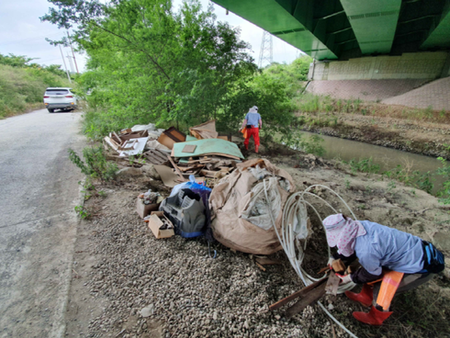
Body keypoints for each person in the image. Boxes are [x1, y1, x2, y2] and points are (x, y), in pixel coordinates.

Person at [323, 213, 445, 326]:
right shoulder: (357, 227)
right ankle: (365, 298)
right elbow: (351, 248)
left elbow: (372, 273)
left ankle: (375, 318)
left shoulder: (367, 249)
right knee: (369, 268)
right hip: (408, 251)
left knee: (382, 287)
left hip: (419, 266)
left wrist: (348, 279)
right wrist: (335, 257)